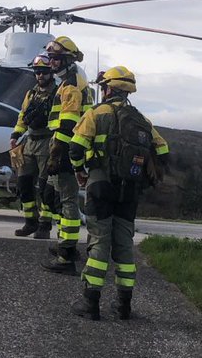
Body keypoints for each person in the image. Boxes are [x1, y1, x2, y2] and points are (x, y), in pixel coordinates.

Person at [69, 65, 169, 319]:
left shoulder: (96, 113)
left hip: (101, 185)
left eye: (104, 87)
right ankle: (124, 305)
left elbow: (76, 148)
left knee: (99, 241)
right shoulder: (142, 120)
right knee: (125, 243)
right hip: (130, 190)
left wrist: (81, 171)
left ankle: (90, 303)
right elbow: (163, 150)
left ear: (108, 88)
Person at [40, 35, 94, 272]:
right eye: (50, 58)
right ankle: (64, 241)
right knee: (57, 198)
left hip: (65, 147)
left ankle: (67, 254)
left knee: (68, 201)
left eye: (55, 59)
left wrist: (56, 154)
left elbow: (67, 124)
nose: (51, 63)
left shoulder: (71, 84)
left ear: (67, 60)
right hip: (62, 145)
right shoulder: (69, 81)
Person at [9, 54, 58, 236]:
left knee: (46, 188)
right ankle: (30, 221)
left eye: (44, 72)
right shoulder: (31, 94)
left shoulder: (58, 93)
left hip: (48, 142)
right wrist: (16, 134)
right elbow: (23, 117)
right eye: (37, 72)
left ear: (51, 73)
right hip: (30, 142)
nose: (40, 76)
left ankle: (45, 225)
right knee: (24, 183)